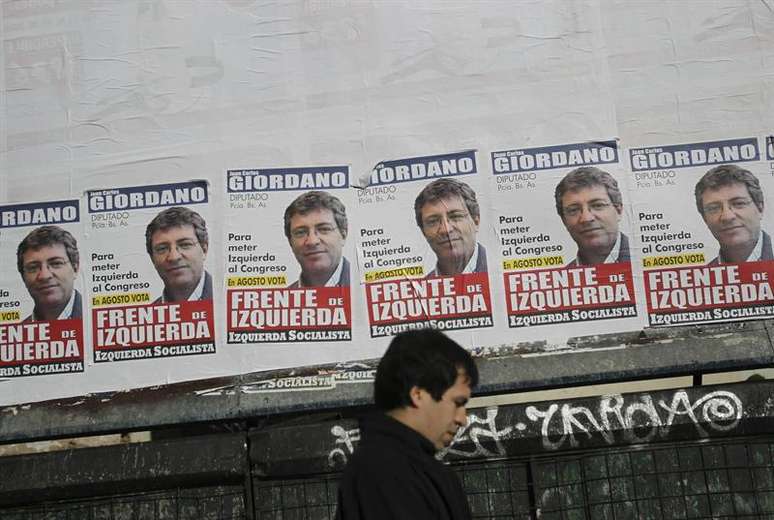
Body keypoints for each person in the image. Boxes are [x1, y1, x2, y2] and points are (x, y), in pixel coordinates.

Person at [336, 328, 478, 520]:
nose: (463, 419)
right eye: (458, 403)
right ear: (418, 395)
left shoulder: (409, 469)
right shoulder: (385, 473)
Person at [695, 164, 773, 264]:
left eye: (739, 203)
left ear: (760, 208)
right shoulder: (703, 277)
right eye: (714, 208)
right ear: (704, 218)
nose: (727, 217)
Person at [555, 166, 630, 266]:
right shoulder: (562, 278)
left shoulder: (645, 257)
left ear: (618, 210)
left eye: (598, 205)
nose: (586, 218)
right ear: (564, 220)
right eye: (574, 210)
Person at [415, 178, 487, 276]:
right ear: (423, 232)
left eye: (456, 216)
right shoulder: (420, 289)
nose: (446, 229)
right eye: (433, 221)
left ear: (476, 221)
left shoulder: (501, 267)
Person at [146, 206, 213, 302]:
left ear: (204, 250)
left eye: (185, 244)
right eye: (162, 249)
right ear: (152, 259)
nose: (174, 257)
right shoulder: (148, 314)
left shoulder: (226, 299)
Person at [284, 191, 350, 287]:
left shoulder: (365, 284)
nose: (312, 241)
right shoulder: (282, 299)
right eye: (301, 232)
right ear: (290, 241)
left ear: (343, 235)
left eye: (324, 229)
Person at [17, 225, 82, 321]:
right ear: (23, 276)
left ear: (75, 268)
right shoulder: (18, 332)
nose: (44, 276)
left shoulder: (94, 316)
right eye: (33, 267)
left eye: (56, 263)